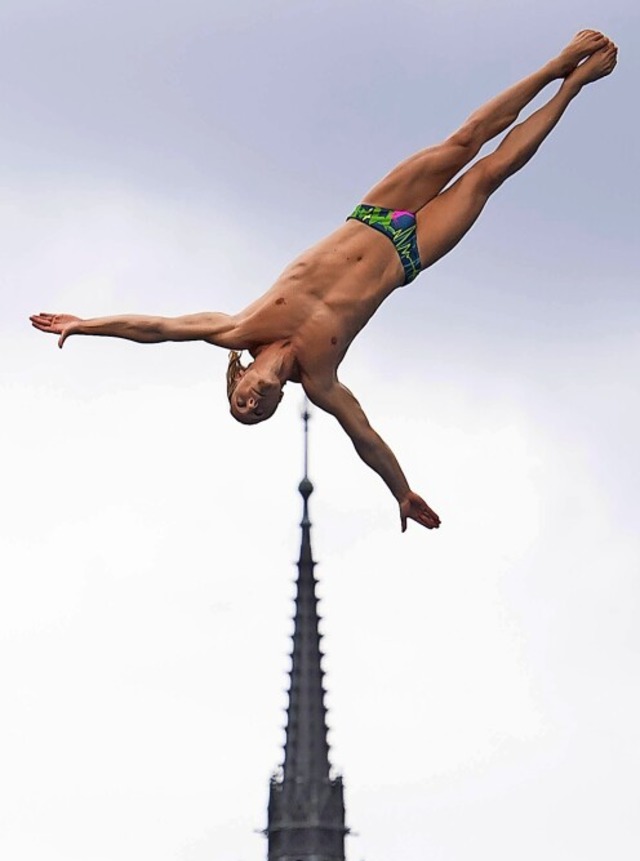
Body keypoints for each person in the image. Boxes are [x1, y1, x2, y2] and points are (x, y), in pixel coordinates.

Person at [31, 32, 617, 532]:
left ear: (240, 379)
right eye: (256, 414)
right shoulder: (320, 379)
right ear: (277, 401)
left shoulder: (238, 329)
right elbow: (364, 436)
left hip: (375, 214)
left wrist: (86, 326)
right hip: (409, 253)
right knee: (489, 174)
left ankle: (555, 64)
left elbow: (157, 328)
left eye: (240, 402)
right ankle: (576, 86)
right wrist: (401, 491)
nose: (251, 404)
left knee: (464, 142)